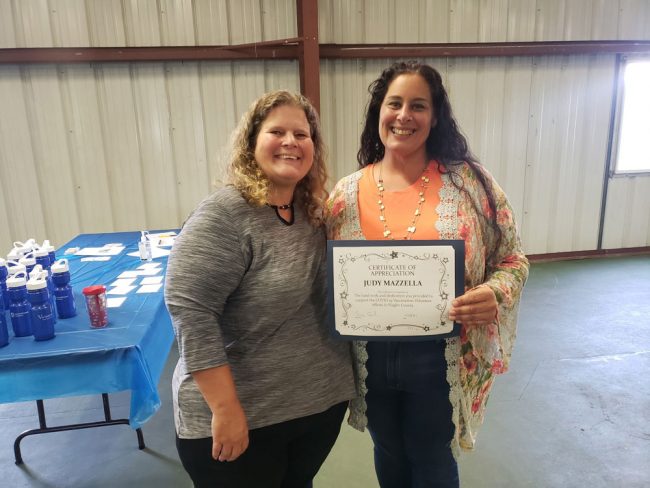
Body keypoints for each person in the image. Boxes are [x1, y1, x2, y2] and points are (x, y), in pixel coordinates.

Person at [326, 61, 529, 487]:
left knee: (432, 458)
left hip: (439, 359)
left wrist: (496, 292)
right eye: (394, 103)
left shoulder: (471, 185)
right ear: (378, 112)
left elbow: (512, 259)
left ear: (435, 117)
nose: (404, 115)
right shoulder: (343, 195)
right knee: (388, 455)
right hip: (371, 360)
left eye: (418, 105)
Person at [165, 90, 355, 488]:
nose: (291, 142)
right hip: (243, 419)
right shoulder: (225, 216)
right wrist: (226, 407)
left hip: (315, 408)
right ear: (252, 143)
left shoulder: (316, 213)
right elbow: (190, 309)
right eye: (277, 131)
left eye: (302, 135)